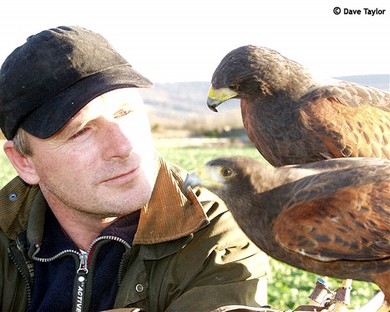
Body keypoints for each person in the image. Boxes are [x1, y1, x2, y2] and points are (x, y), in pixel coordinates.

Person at [0, 26, 269, 312]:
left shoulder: (213, 233)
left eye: (124, 112)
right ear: (24, 162)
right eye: (81, 131)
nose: (123, 146)